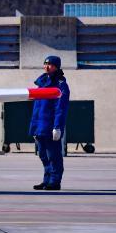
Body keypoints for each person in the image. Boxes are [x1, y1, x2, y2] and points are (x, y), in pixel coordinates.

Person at [29, 55, 70, 191]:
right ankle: (47, 180)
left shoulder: (60, 85)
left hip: (51, 125)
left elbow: (60, 108)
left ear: (57, 67)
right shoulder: (42, 83)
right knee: (43, 155)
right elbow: (37, 108)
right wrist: (34, 127)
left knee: (53, 155)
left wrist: (57, 127)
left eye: (50, 65)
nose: (47, 67)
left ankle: (55, 181)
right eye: (45, 64)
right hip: (40, 126)